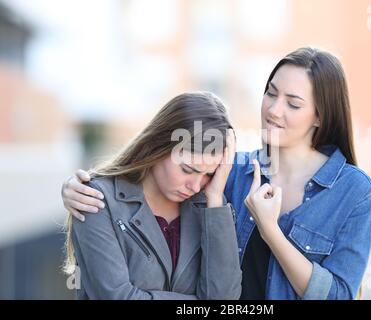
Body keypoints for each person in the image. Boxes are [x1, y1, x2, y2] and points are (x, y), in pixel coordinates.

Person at [62, 47, 371, 300]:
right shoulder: (230, 173)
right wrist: (78, 187)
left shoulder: (356, 194)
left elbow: (338, 295)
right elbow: (153, 184)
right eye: (271, 93)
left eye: (293, 104)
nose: (273, 110)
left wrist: (270, 230)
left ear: (320, 117)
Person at [63, 91, 242, 300]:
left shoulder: (209, 207)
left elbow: (225, 299)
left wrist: (215, 200)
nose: (195, 185)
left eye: (208, 174)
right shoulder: (96, 200)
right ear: (158, 147)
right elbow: (117, 297)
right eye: (187, 169)